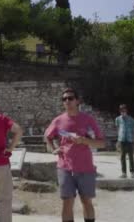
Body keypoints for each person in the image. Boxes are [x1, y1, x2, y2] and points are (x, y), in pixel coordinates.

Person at [44, 88, 105, 222]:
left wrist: (84, 140)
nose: (67, 101)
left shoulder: (88, 120)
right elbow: (47, 136)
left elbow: (101, 143)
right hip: (65, 167)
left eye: (70, 98)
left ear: (77, 101)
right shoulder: (58, 120)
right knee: (67, 202)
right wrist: (53, 148)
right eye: (64, 99)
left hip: (85, 168)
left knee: (86, 201)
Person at [115, 104, 134, 178]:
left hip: (130, 140)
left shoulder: (132, 120)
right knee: (122, 156)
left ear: (126, 110)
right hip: (122, 139)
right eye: (121, 110)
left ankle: (132, 172)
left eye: (124, 110)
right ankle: (124, 173)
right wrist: (118, 141)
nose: (123, 111)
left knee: (131, 156)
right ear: (119, 111)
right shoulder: (118, 119)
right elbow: (118, 130)